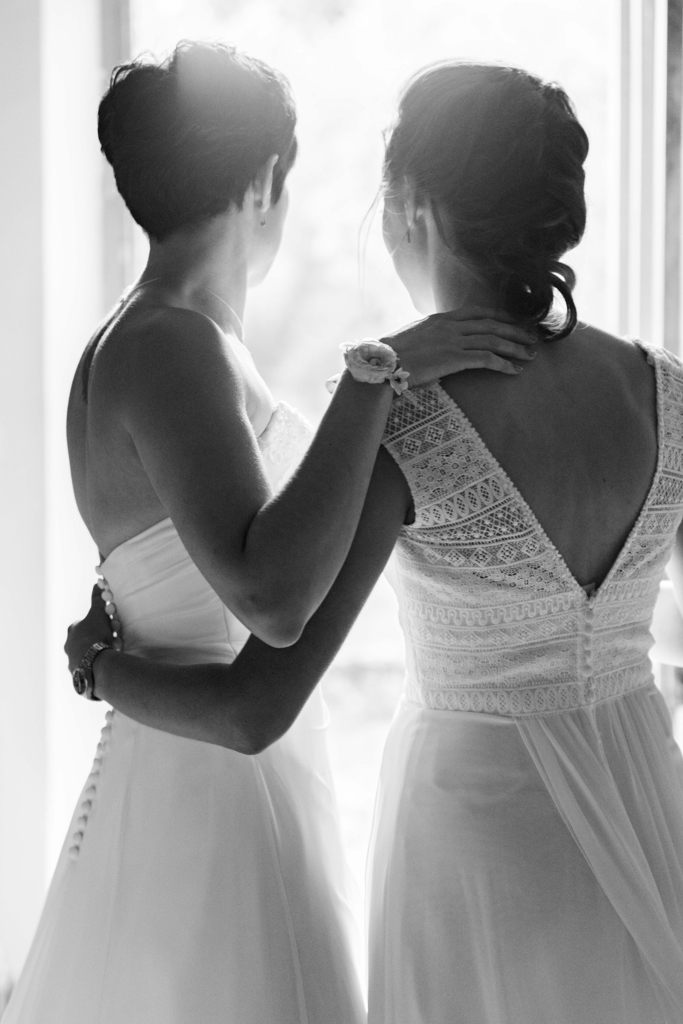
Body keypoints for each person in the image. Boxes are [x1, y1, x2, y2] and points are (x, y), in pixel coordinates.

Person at [65, 60, 683, 1024]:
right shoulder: (667, 394)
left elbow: (268, 668)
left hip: (475, 833)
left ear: (413, 211)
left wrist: (97, 667)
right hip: (646, 799)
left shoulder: (408, 420)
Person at [3, 45, 532, 1024]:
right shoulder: (171, 344)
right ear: (262, 185)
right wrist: (374, 379)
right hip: (209, 791)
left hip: (203, 759)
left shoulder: (170, 337)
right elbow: (272, 600)